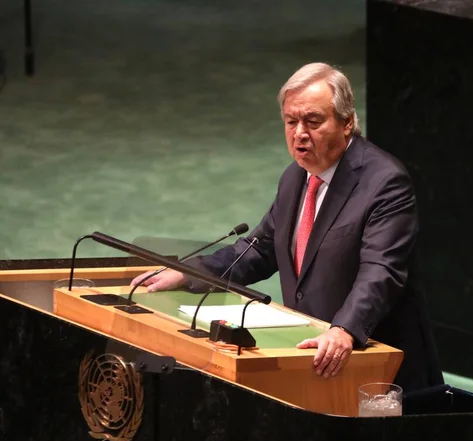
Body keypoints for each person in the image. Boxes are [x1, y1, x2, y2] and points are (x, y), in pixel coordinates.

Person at [131, 62, 443, 392]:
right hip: (311, 361)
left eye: (313, 121)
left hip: (381, 372)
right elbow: (260, 249)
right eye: (291, 122)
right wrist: (190, 272)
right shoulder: (295, 177)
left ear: (347, 122)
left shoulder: (384, 182)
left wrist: (345, 329)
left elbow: (380, 272)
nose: (299, 134)